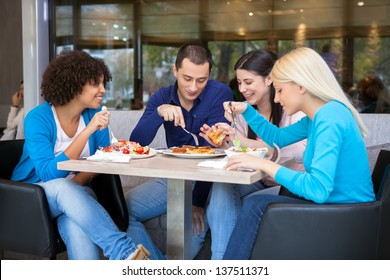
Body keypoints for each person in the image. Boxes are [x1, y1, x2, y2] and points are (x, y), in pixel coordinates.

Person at [221, 47, 375, 260]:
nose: (276, 99)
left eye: (280, 90)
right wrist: (247, 110)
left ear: (301, 86)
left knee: (256, 205)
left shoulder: (330, 119)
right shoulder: (320, 115)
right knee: (275, 196)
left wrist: (266, 165)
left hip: (347, 216)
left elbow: (318, 189)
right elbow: (278, 138)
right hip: (340, 206)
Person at [11, 50, 150, 260]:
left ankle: (124, 254)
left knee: (74, 220)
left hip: (78, 195)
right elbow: (48, 174)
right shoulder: (38, 118)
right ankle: (123, 251)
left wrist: (75, 186)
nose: (103, 90)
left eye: (104, 83)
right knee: (62, 188)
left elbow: (102, 160)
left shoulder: (95, 115)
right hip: (31, 198)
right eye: (96, 84)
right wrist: (86, 132)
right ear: (74, 85)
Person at [192, 50, 307, 259]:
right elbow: (240, 149)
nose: (242, 89)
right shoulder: (246, 113)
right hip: (257, 181)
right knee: (220, 188)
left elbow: (296, 151)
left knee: (217, 199)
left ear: (269, 79)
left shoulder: (293, 109)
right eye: (239, 83)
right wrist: (224, 142)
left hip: (286, 185)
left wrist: (246, 143)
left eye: (248, 82)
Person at [126, 43, 234, 259]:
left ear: (209, 74)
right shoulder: (161, 97)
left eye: (201, 80)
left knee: (194, 230)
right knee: (121, 210)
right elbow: (136, 143)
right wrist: (158, 113)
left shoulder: (219, 94)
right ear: (175, 71)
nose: (193, 87)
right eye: (187, 78)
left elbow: (216, 152)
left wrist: (197, 201)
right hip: (174, 179)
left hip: (210, 182)